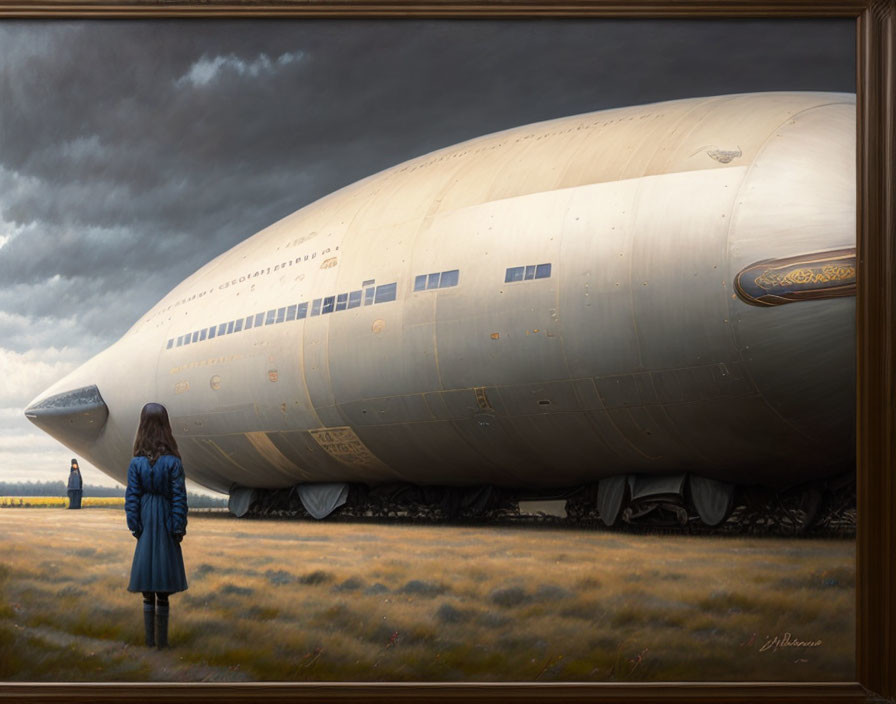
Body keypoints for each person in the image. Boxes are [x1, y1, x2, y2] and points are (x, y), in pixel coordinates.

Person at [125, 402, 188, 648]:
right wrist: (178, 528)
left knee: (147, 588)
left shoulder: (135, 463)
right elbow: (178, 497)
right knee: (163, 587)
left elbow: (132, 498)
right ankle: (161, 643)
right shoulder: (173, 462)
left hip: (146, 523)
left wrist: (135, 526)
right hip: (164, 521)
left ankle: (150, 642)